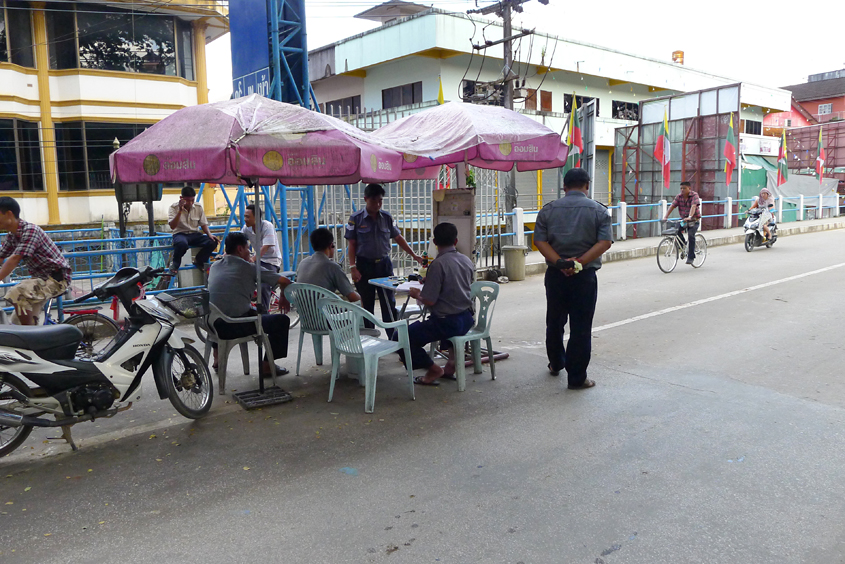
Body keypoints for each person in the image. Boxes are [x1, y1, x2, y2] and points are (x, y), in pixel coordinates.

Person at [534, 168, 613, 390]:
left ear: (564, 187)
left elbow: (540, 241)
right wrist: (578, 263)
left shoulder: (548, 210)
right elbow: (604, 242)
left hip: (555, 275)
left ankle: (556, 362)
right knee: (581, 326)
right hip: (584, 276)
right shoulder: (599, 211)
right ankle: (577, 378)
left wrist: (561, 262)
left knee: (555, 320)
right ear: (587, 185)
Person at [396, 222, 475, 386]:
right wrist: (431, 280)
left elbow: (430, 300)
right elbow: (457, 285)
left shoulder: (438, 265)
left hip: (448, 322)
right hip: (466, 318)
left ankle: (433, 369)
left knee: (400, 337)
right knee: (438, 320)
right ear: (455, 241)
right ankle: (451, 362)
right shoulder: (466, 260)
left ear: (434, 242)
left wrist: (417, 294)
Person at [208, 232, 292, 376]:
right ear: (240, 249)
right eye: (248, 248)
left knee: (249, 310)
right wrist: (283, 296)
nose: (249, 252)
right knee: (282, 321)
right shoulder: (248, 267)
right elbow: (285, 281)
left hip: (211, 324)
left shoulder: (215, 265)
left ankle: (217, 356)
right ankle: (266, 366)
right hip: (233, 325)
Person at [345, 183, 423, 328]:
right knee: (366, 303)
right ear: (365, 199)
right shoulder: (355, 219)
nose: (378, 204)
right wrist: (353, 267)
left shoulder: (386, 217)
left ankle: (393, 338)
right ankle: (370, 337)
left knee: (388, 301)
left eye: (380, 200)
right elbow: (352, 244)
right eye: (374, 201)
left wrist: (414, 255)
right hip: (364, 266)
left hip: (384, 265)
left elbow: (398, 238)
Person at [0, 197, 72, 325]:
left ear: (9, 214)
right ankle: (35, 336)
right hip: (40, 280)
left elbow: (14, 259)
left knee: (17, 292)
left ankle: (31, 337)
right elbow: (1, 256)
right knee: (16, 323)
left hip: (56, 279)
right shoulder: (12, 235)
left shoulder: (30, 231)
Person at [296, 228, 360, 302]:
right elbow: (352, 296)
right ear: (331, 245)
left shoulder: (302, 263)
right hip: (326, 312)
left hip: (304, 311)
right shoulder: (332, 267)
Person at [168, 186, 219, 274]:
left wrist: (209, 234)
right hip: (180, 234)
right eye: (188, 201)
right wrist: (180, 211)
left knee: (213, 241)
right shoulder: (173, 208)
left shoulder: (198, 207)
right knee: (181, 243)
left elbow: (203, 223)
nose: (191, 203)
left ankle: (199, 260)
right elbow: (172, 226)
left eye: (192, 200)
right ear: (181, 198)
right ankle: (175, 264)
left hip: (195, 234)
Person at [242, 204, 282, 312]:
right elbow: (238, 242)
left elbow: (265, 247)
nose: (245, 219)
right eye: (244, 216)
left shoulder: (267, 226)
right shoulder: (247, 228)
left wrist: (253, 259)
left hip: (271, 261)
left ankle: (264, 314)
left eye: (248, 217)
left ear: (257, 217)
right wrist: (226, 254)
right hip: (257, 261)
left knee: (263, 286)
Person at [662, 181, 701, 265]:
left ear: (689, 189)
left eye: (684, 188)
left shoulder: (694, 195)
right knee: (676, 230)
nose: (682, 190)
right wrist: (665, 217)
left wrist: (690, 216)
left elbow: (693, 206)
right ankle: (683, 245)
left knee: (691, 235)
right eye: (681, 188)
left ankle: (691, 256)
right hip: (683, 220)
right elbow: (672, 206)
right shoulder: (679, 197)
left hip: (694, 220)